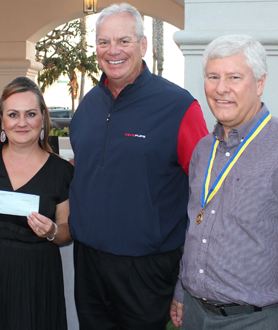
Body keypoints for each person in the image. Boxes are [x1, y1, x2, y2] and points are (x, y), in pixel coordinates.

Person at [170, 35, 278, 330]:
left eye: (234, 77)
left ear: (259, 83)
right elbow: (194, 229)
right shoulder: (203, 150)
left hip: (257, 320)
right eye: (213, 76)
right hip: (195, 315)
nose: (221, 88)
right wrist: (182, 291)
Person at [68, 3, 209, 329]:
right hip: (88, 262)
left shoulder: (178, 106)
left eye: (123, 41)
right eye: (104, 42)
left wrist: (188, 277)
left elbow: (207, 194)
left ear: (143, 45)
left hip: (147, 268)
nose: (112, 50)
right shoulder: (89, 105)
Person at [0, 77, 74, 330]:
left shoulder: (61, 171)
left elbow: (66, 232)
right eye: (13, 114)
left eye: (30, 114)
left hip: (37, 275)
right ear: (1, 120)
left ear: (43, 119)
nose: (22, 122)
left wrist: (52, 231)